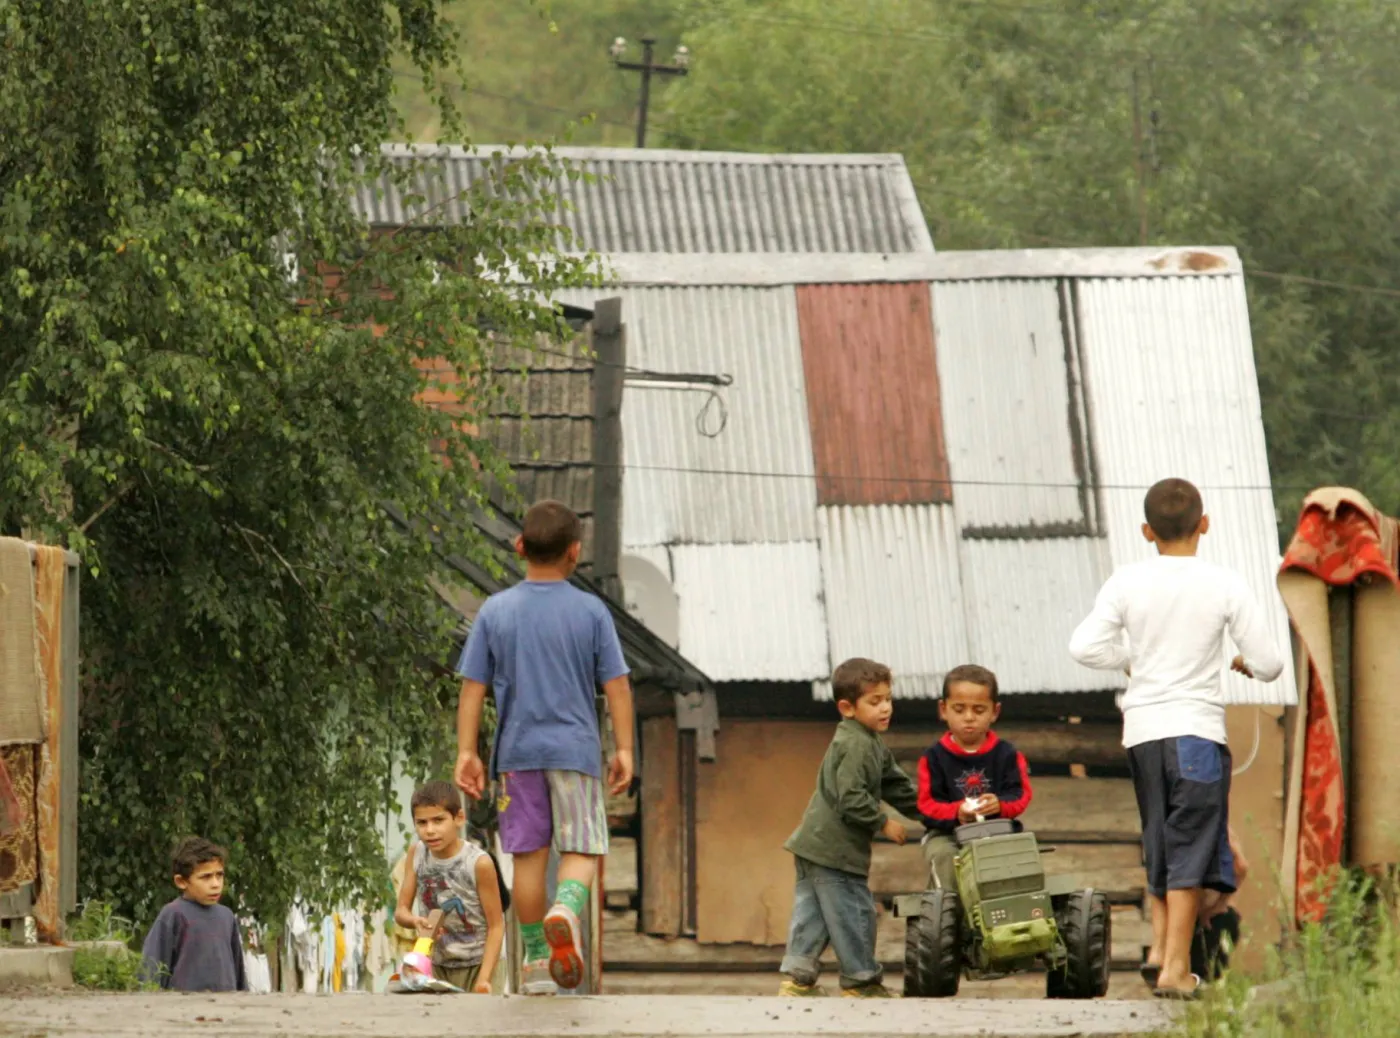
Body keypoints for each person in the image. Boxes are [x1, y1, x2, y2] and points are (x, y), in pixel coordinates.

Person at [1069, 477, 1283, 1000]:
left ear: (1147, 531)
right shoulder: (1223, 584)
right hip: (1194, 732)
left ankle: (1162, 950)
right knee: (1191, 847)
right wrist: (1243, 664)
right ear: (1203, 524)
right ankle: (1176, 970)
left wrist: (1130, 661)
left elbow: (1083, 647)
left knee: (1162, 842)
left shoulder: (1126, 582)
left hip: (1142, 732)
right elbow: (1271, 663)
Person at [453, 500, 634, 996]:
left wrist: (466, 752)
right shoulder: (591, 611)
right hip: (575, 752)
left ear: (519, 546)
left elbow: (472, 687)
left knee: (528, 860)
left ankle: (536, 962)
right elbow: (617, 686)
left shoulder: (496, 610)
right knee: (581, 848)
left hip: (517, 756)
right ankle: (565, 909)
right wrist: (625, 750)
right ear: (575, 552)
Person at [779, 657, 921, 999]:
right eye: (875, 701)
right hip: (834, 850)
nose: (886, 707)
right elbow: (850, 796)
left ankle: (797, 979)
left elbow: (896, 786)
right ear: (847, 707)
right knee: (853, 911)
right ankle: (861, 981)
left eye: (888, 698)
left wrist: (934, 812)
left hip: (813, 847)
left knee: (815, 914)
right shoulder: (855, 743)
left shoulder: (870, 742)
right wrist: (883, 822)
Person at [916, 664, 1033, 891]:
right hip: (947, 835)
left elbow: (1020, 795)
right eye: (959, 709)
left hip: (998, 831)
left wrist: (999, 805)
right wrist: (957, 812)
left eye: (979, 710)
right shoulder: (933, 758)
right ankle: (948, 914)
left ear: (994, 712)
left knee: (1022, 856)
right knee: (944, 857)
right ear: (943, 709)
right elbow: (926, 805)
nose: (969, 718)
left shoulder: (1007, 754)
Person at [394, 781, 505, 993]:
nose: (430, 830)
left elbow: (496, 926)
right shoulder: (416, 854)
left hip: (479, 963)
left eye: (438, 820)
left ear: (459, 818)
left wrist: (484, 979)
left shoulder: (478, 863)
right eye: (422, 823)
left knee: (481, 1024)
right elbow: (401, 911)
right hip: (437, 964)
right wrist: (414, 921)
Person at [140, 837, 248, 992]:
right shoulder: (173, 914)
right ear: (181, 882)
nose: (215, 884)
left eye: (219, 875)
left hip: (225, 1006)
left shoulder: (226, 916)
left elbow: (238, 969)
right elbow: (152, 967)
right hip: (183, 1008)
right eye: (206, 877)